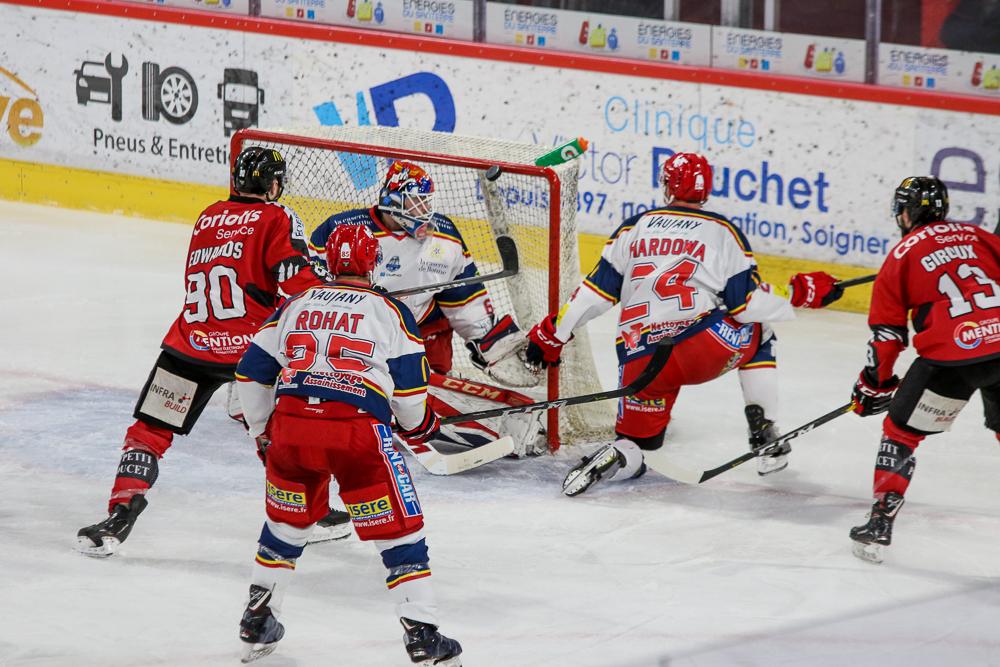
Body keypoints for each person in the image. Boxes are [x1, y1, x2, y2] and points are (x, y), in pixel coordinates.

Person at [76, 147, 347, 557]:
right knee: (273, 430)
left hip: (190, 344)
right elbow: (297, 283)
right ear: (272, 184)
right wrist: (335, 285)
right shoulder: (277, 216)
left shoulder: (207, 216)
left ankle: (118, 516)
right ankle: (309, 512)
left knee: (149, 432)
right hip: (250, 351)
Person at [525, 152, 844, 495]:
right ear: (707, 189)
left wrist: (554, 334)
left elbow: (594, 294)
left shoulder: (635, 227)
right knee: (760, 329)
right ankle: (764, 433)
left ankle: (616, 455)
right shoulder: (723, 231)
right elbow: (745, 304)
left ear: (667, 185)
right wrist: (800, 292)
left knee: (639, 447)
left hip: (641, 361)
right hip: (700, 348)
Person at [234, 223, 462, 666]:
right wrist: (421, 427)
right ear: (372, 262)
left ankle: (258, 620)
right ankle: (422, 635)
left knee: (285, 527)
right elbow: (410, 400)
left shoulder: (296, 302)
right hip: (356, 434)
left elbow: (250, 371)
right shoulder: (391, 310)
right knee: (399, 533)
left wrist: (262, 431)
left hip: (292, 430)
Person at [848, 176, 1000, 563]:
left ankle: (880, 522)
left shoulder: (901, 256)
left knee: (900, 432)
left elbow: (887, 338)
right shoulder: (979, 236)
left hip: (953, 358)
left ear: (905, 213)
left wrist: (876, 384)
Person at [309, 160, 532, 388]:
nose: (425, 211)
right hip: (354, 331)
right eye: (417, 202)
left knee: (430, 386)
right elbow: (309, 289)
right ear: (392, 201)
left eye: (427, 202)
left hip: (419, 333)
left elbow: (464, 295)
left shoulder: (445, 235)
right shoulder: (342, 230)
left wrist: (490, 342)